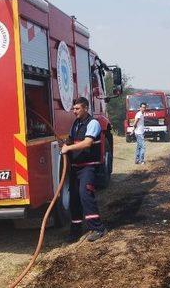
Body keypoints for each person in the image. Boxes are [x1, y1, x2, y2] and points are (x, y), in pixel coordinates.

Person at [60, 97, 108, 242]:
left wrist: (68, 148)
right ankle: (75, 230)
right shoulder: (76, 123)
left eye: (77, 109)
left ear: (85, 108)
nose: (74, 111)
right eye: (73, 109)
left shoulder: (93, 123)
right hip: (76, 167)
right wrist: (65, 143)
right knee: (74, 198)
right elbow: (71, 139)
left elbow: (87, 143)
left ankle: (98, 228)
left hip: (88, 166)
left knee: (85, 194)